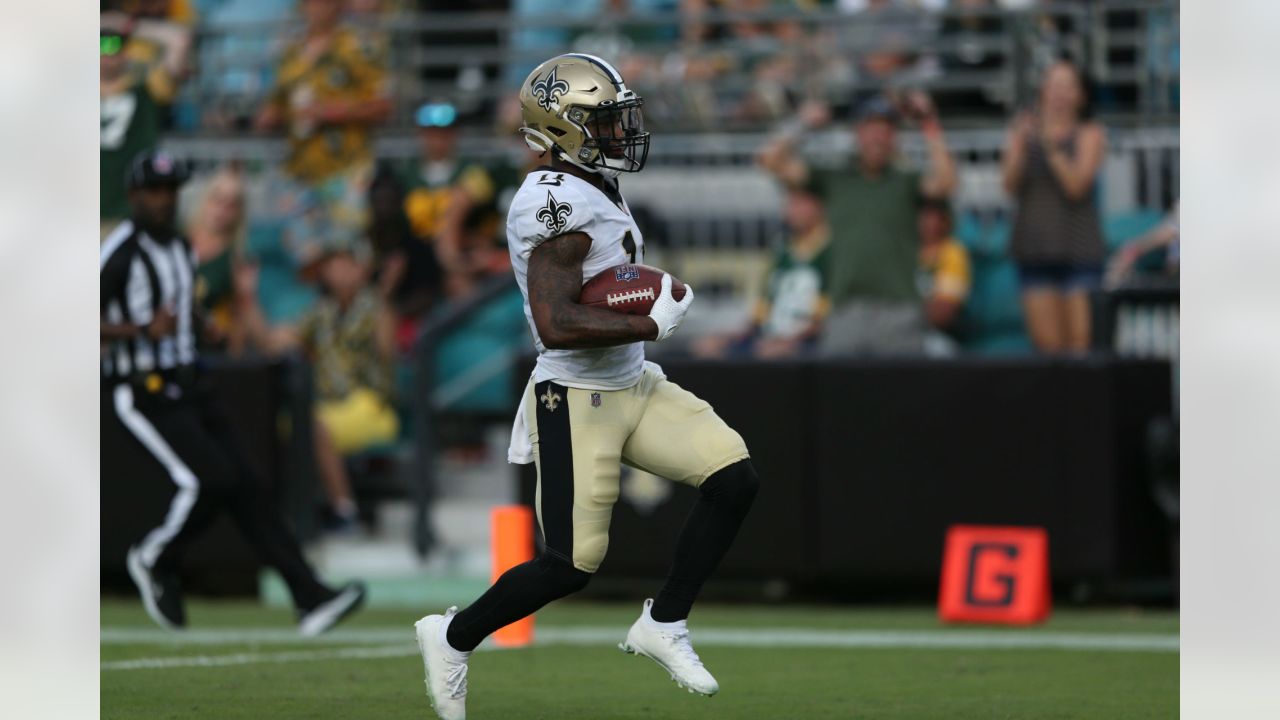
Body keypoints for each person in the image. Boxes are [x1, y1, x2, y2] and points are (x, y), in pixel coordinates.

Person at [414, 54, 759, 720]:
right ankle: (452, 636)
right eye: (603, 121)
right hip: (575, 397)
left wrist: (640, 326)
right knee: (570, 565)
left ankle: (663, 622)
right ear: (563, 126)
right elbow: (554, 321)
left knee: (733, 477)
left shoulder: (588, 182)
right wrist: (648, 320)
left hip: (631, 383)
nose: (617, 132)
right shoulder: (551, 202)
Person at [100, 150, 366, 634]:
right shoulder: (119, 252)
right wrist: (140, 328)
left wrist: (204, 326)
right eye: (155, 191)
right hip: (143, 388)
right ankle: (155, 555)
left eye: (171, 191)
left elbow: (181, 306)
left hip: (191, 381)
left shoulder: (179, 246)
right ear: (135, 195)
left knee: (251, 488)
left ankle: (310, 596)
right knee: (212, 480)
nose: (164, 200)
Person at [757, 92, 957, 355]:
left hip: (898, 310)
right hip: (844, 310)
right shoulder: (836, 177)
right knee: (842, 392)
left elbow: (945, 183)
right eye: (870, 128)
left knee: (901, 392)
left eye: (885, 129)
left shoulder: (905, 181)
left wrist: (929, 123)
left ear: (894, 137)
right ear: (857, 133)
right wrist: (803, 124)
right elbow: (771, 160)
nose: (877, 136)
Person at [241, 232, 401, 533]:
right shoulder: (320, 312)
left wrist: (384, 290)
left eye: (346, 262)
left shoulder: (377, 307)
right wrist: (248, 297)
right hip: (331, 407)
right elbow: (270, 342)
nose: (338, 270)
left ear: (362, 267)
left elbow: (388, 350)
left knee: (312, 425)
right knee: (287, 423)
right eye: (333, 263)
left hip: (370, 405)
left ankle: (345, 510)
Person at [1002, 58, 1106, 353]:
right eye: (1053, 84)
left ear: (1081, 94)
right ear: (1042, 91)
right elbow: (1009, 185)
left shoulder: (1090, 133)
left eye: (1068, 85)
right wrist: (1019, 143)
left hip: (1080, 250)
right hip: (1035, 250)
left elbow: (1076, 186)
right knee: (1048, 350)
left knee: (1082, 347)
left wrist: (1049, 143)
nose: (1059, 93)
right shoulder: (1023, 130)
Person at [253, 0, 391, 187]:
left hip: (347, 171)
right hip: (299, 170)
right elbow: (277, 103)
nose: (316, 7)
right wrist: (271, 116)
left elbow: (383, 106)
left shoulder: (359, 48)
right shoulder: (290, 53)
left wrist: (330, 112)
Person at [692, 187, 832, 359]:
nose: (792, 210)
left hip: (807, 342)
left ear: (819, 206)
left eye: (799, 203)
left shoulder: (831, 251)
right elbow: (764, 308)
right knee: (707, 347)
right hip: (768, 338)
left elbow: (825, 318)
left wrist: (789, 342)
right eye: (790, 203)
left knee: (770, 354)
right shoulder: (782, 249)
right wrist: (731, 337)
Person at [401, 100, 503, 297]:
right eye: (431, 132)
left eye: (445, 132)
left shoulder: (473, 171)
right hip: (417, 259)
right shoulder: (405, 175)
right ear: (421, 134)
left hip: (459, 254)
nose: (438, 138)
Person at [101, 22, 161, 235]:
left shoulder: (145, 88)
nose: (107, 58)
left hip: (126, 211)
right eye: (100, 49)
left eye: (114, 51)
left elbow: (175, 49)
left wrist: (129, 25)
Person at [915, 198, 971, 353]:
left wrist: (900, 312)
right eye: (925, 215)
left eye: (937, 216)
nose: (931, 223)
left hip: (940, 337)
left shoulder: (953, 252)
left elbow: (944, 314)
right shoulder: (903, 249)